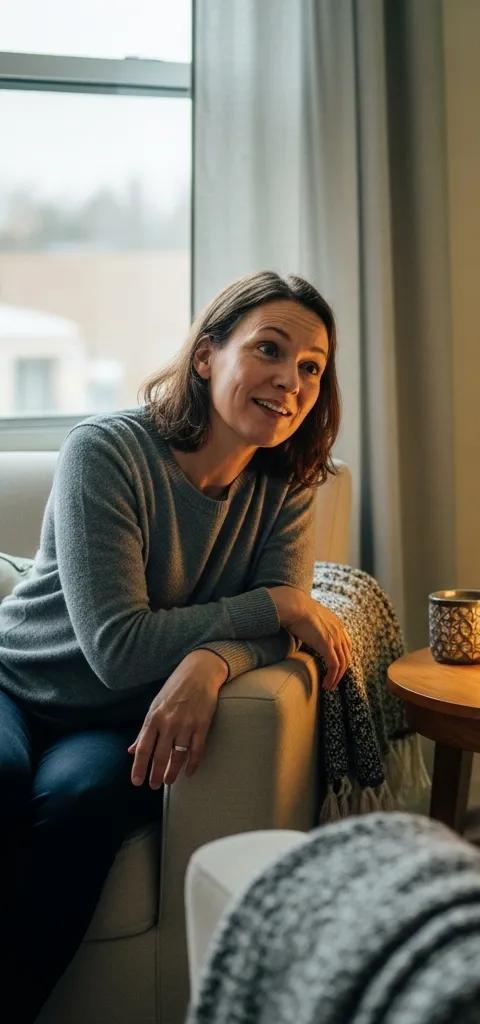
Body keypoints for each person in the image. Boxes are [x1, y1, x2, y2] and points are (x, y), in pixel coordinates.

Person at [0, 271, 352, 1020]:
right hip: (16, 686)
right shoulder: (107, 452)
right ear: (206, 356)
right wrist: (273, 605)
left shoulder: (288, 481)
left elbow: (279, 630)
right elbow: (119, 648)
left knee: (82, 802)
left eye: (312, 367)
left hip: (108, 722)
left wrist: (213, 657)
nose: (291, 381)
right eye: (269, 349)